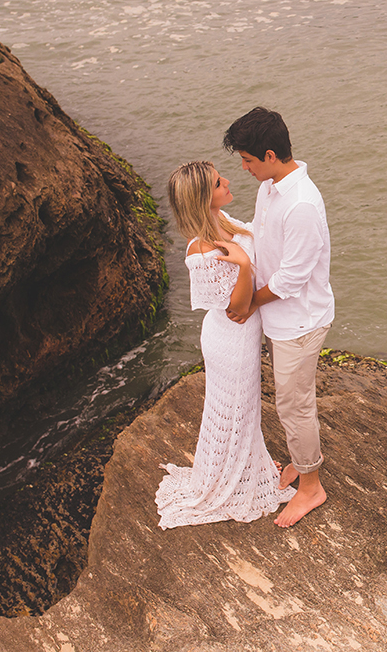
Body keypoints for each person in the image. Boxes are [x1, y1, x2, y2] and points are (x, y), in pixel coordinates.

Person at [155, 161, 293, 529]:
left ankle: (252, 466)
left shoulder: (224, 221)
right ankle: (228, 484)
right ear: (204, 197)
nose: (228, 181)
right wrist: (245, 266)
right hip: (230, 340)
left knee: (244, 411)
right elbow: (237, 309)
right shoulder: (199, 251)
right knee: (233, 412)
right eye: (218, 182)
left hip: (243, 338)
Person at [223, 107, 334, 528]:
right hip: (282, 318)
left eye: (249, 161)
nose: (246, 169)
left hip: (301, 321)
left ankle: (311, 487)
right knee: (290, 402)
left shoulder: (302, 203)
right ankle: (300, 463)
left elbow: (291, 278)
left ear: (270, 155)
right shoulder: (271, 187)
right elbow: (261, 233)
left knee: (294, 405)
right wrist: (220, 225)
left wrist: (250, 301)